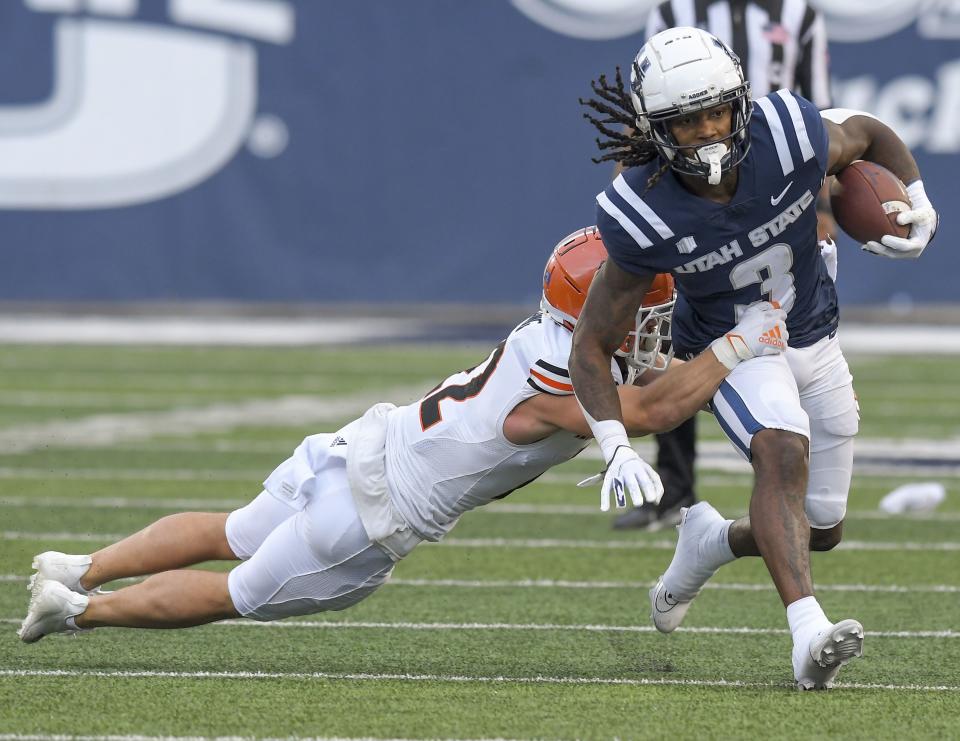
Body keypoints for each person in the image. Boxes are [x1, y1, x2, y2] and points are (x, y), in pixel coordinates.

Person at [18, 226, 790, 643]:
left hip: (358, 447)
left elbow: (642, 387)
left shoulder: (546, 339)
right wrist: (739, 343)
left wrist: (710, 351)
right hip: (372, 514)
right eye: (634, 304)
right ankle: (79, 609)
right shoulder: (565, 377)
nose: (648, 318)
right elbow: (649, 412)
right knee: (234, 592)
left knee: (230, 529)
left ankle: (81, 564)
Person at [573, 27, 937, 689]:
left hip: (813, 331)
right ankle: (807, 636)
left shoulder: (789, 134)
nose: (710, 131)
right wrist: (614, 443)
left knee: (821, 527)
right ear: (656, 130)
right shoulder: (643, 207)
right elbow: (591, 345)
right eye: (687, 122)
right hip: (730, 345)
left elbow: (871, 131)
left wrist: (916, 197)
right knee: (781, 450)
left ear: (739, 101)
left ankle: (710, 542)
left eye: (717, 110)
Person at [613, 0, 835, 531]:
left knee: (794, 328)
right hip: (688, 186)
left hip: (766, 174)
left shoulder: (799, 12)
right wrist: (635, 191)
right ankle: (673, 485)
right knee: (671, 330)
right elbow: (645, 110)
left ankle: (802, 481)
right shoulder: (673, 11)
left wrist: (823, 203)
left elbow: (820, 107)